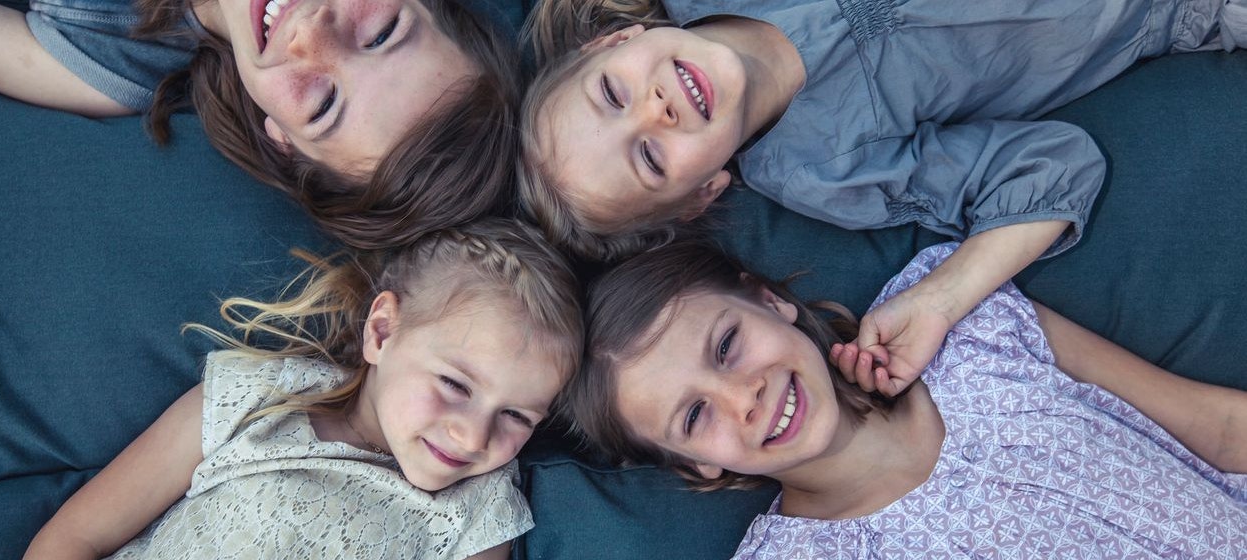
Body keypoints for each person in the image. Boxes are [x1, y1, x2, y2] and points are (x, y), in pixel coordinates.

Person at [567, 238, 1247, 560]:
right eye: (694, 416)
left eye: (727, 345)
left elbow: (1215, 427)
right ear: (700, 464)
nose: (742, 396)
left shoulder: (968, 335)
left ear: (769, 300)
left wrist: (946, 297)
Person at [517, 0, 1246, 395]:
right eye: (649, 157)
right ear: (700, 194)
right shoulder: (826, 171)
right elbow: (1051, 170)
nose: (655, 111)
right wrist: (939, 299)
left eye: (613, 93)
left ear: (612, 43)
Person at [0, 218, 584, 560]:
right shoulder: (256, 399)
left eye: (516, 417)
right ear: (382, 332)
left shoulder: (478, 512)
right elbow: (79, 533)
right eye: (455, 384)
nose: (472, 433)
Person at [0, 0, 522, 248]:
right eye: (382, 32)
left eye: (322, 104)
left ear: (283, 140)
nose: (312, 34)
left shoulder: (111, 62)